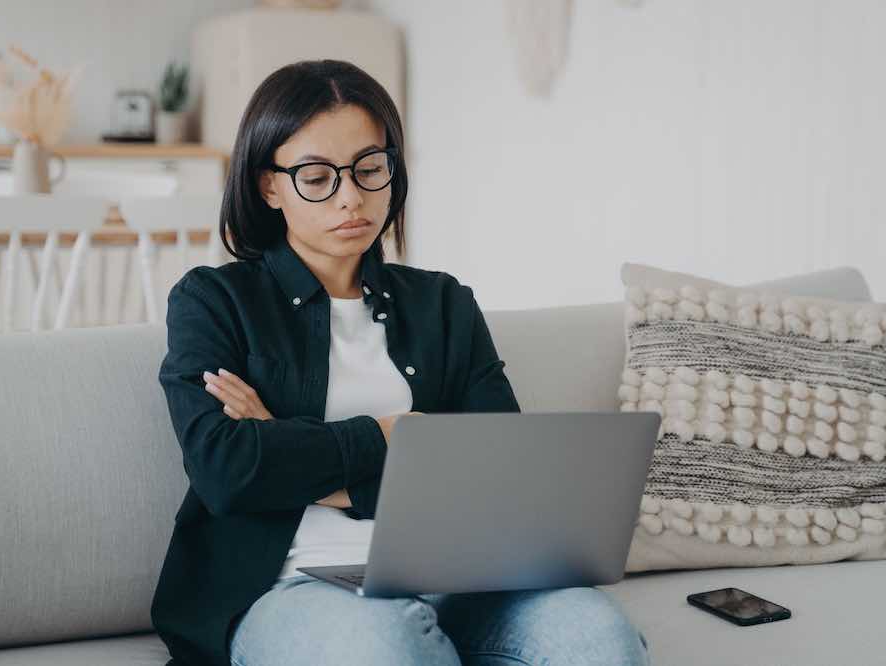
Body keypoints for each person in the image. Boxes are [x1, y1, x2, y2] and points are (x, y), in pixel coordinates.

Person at [151, 58, 651, 666]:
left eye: (369, 168)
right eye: (316, 176)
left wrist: (284, 446)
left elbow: (498, 473)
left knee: (599, 636)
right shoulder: (214, 300)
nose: (351, 197)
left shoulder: (443, 303)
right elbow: (225, 471)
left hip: (463, 578)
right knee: (388, 646)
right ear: (268, 185)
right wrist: (395, 436)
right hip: (294, 586)